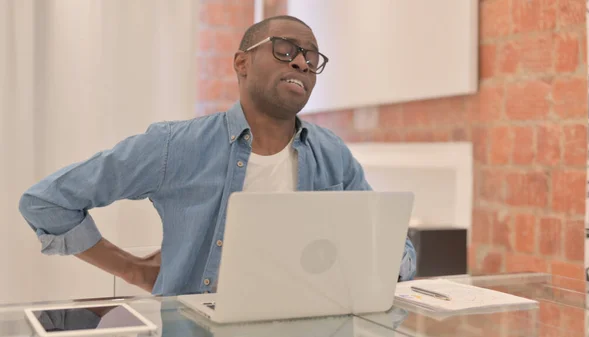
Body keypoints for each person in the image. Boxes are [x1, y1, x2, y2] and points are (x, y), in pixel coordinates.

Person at [18, 15, 416, 296]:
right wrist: (132, 269)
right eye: (285, 49)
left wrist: (383, 266)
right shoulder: (176, 146)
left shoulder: (333, 154)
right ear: (241, 63)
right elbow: (47, 202)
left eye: (312, 58)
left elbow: (394, 247)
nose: (301, 62)